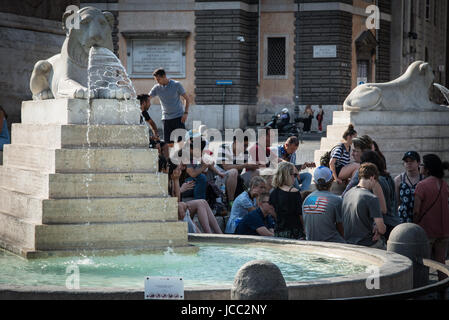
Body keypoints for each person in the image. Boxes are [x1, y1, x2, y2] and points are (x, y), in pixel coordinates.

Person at [413, 154, 449, 281]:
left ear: (427, 169)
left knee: (425, 262)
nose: (420, 167)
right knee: (441, 262)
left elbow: (416, 211)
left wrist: (414, 224)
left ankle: (423, 290)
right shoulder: (444, 184)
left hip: (426, 231)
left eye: (422, 165)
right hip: (444, 231)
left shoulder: (421, 185)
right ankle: (443, 290)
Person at [342, 163, 386, 249]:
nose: (374, 185)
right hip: (367, 244)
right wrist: (380, 228)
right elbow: (382, 229)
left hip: (349, 243)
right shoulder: (371, 198)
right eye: (376, 182)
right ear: (372, 177)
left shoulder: (347, 194)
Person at [171, 165, 223, 234]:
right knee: (201, 179)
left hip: (180, 206)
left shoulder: (177, 176)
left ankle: (219, 234)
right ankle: (209, 235)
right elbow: (174, 201)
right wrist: (180, 188)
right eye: (178, 169)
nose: (180, 171)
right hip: (174, 209)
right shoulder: (170, 179)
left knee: (203, 202)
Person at [302, 166, 345, 243]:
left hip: (310, 241)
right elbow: (341, 228)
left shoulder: (307, 199)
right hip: (331, 243)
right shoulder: (336, 200)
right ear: (331, 181)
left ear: (314, 182)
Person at [148, 68, 190, 144]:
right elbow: (148, 98)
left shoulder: (176, 85)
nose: (157, 81)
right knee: (169, 144)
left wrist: (186, 113)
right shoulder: (157, 88)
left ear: (164, 76)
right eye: (156, 80)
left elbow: (187, 99)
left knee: (181, 143)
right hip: (166, 119)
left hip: (178, 118)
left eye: (158, 79)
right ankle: (171, 156)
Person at [216, 136, 260, 205]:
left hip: (237, 179)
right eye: (244, 145)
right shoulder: (224, 148)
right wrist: (245, 165)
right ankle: (231, 201)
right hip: (221, 177)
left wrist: (254, 165)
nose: (245, 148)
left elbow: (248, 166)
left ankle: (253, 199)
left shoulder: (245, 152)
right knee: (234, 171)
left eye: (247, 145)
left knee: (256, 172)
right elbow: (226, 167)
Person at [269, 162, 304, 239]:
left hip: (279, 231)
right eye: (294, 175)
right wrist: (305, 230)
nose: (295, 178)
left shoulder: (273, 193)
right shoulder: (294, 192)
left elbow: (272, 212)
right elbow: (300, 215)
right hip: (294, 232)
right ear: (287, 175)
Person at [395, 151, 424, 223]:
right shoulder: (399, 179)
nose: (409, 163)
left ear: (418, 162)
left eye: (412, 161)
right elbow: (396, 202)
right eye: (406, 161)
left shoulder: (424, 179)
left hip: (421, 217)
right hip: (403, 218)